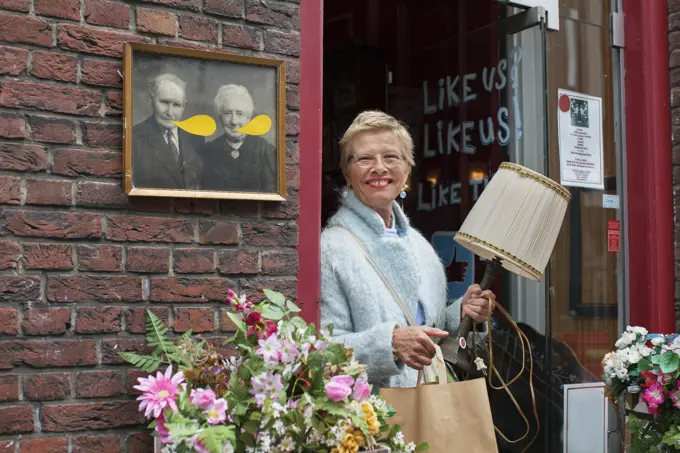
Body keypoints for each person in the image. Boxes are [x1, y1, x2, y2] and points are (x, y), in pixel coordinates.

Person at [320, 110, 494, 389]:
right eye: (365, 158)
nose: (379, 167)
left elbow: (427, 330)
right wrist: (390, 344)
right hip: (369, 420)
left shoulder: (420, 246)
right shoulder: (331, 249)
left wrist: (461, 313)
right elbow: (320, 352)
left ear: (407, 168)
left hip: (429, 408)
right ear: (347, 173)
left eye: (390, 157)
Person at [132, 73, 204, 190]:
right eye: (164, 102)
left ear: (184, 106)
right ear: (151, 99)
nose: (170, 112)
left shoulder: (196, 138)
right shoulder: (135, 138)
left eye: (176, 105)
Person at [201, 84, 276, 193]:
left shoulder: (265, 150)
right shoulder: (208, 151)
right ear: (220, 116)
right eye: (228, 113)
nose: (234, 121)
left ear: (248, 118)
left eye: (240, 114)